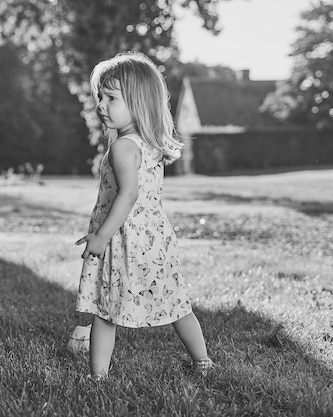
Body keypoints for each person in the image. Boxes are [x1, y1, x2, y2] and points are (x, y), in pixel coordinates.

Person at [75, 51, 214, 380]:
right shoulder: (147, 144)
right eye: (100, 97)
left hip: (123, 238)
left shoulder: (123, 147)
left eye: (111, 98)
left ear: (137, 102)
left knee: (105, 310)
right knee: (177, 303)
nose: (101, 105)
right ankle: (203, 362)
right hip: (155, 239)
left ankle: (98, 376)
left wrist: (101, 236)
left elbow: (129, 194)